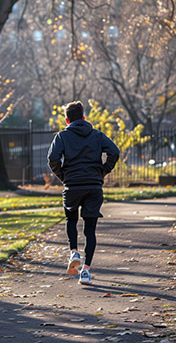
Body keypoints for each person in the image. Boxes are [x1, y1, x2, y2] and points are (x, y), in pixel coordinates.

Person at [47, 101, 120, 285]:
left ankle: (74, 252)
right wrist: (103, 171)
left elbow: (52, 158)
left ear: (66, 120)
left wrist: (63, 175)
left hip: (72, 186)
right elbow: (114, 152)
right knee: (90, 230)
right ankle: (86, 271)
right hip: (93, 186)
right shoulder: (96, 135)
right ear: (84, 117)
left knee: (71, 220)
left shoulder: (62, 136)